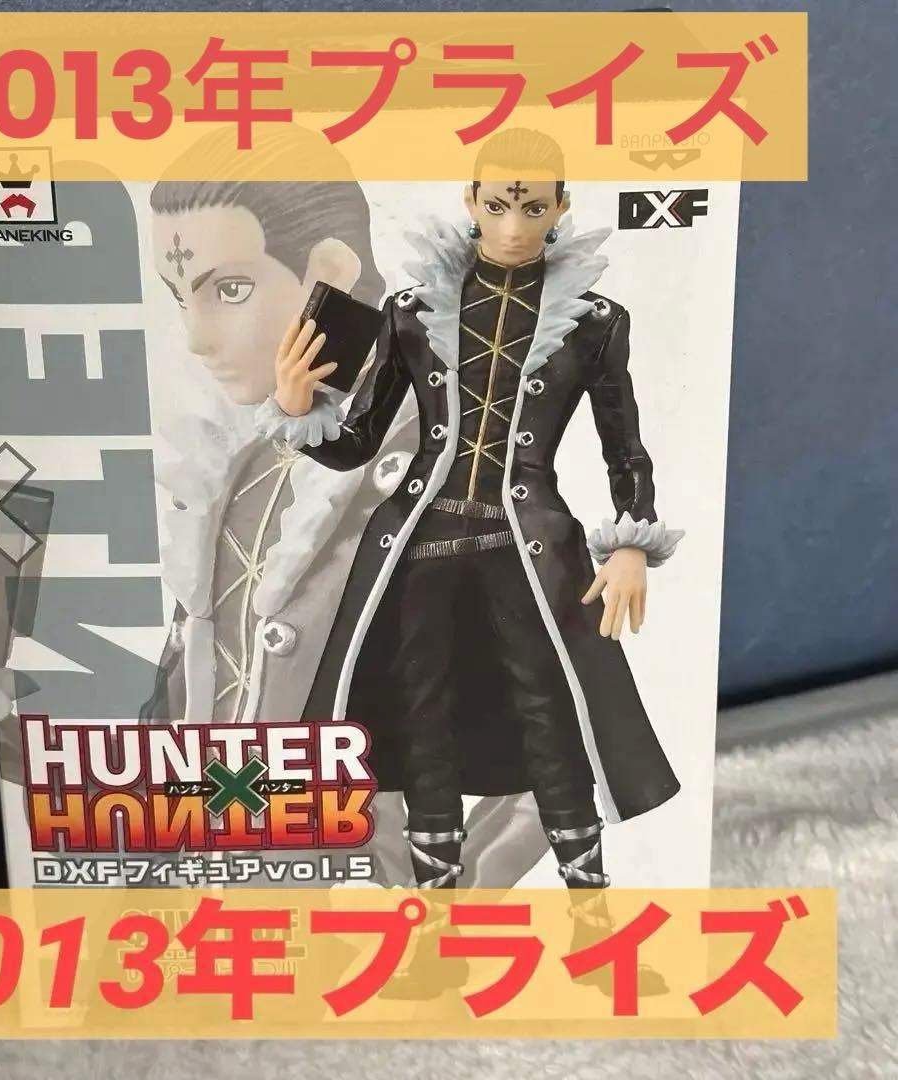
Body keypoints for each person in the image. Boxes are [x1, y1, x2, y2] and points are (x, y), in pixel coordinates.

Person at [257, 129, 684, 985]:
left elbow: (625, 448)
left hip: (530, 550)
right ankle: (436, 934)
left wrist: (633, 541)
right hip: (416, 549)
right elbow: (359, 440)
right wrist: (297, 407)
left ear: (560, 206)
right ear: (471, 201)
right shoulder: (411, 309)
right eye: (497, 204)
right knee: (423, 728)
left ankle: (593, 929)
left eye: (532, 206)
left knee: (554, 723)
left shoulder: (596, 322)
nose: (514, 224)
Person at [141, 127, 553, 892]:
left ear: (329, 271)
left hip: (358, 909)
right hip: (219, 896)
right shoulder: (243, 467)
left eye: (228, 290)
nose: (197, 338)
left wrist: (447, 899)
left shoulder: (445, 461)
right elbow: (198, 684)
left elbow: (555, 733)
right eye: (181, 298)